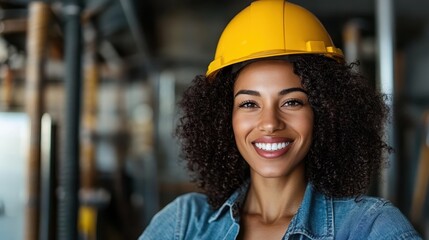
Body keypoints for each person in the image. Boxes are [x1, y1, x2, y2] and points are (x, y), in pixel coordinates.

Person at [139, 0, 422, 239]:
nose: (270, 122)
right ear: (226, 118)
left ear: (324, 112)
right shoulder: (184, 223)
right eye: (249, 103)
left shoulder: (371, 227)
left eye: (292, 102)